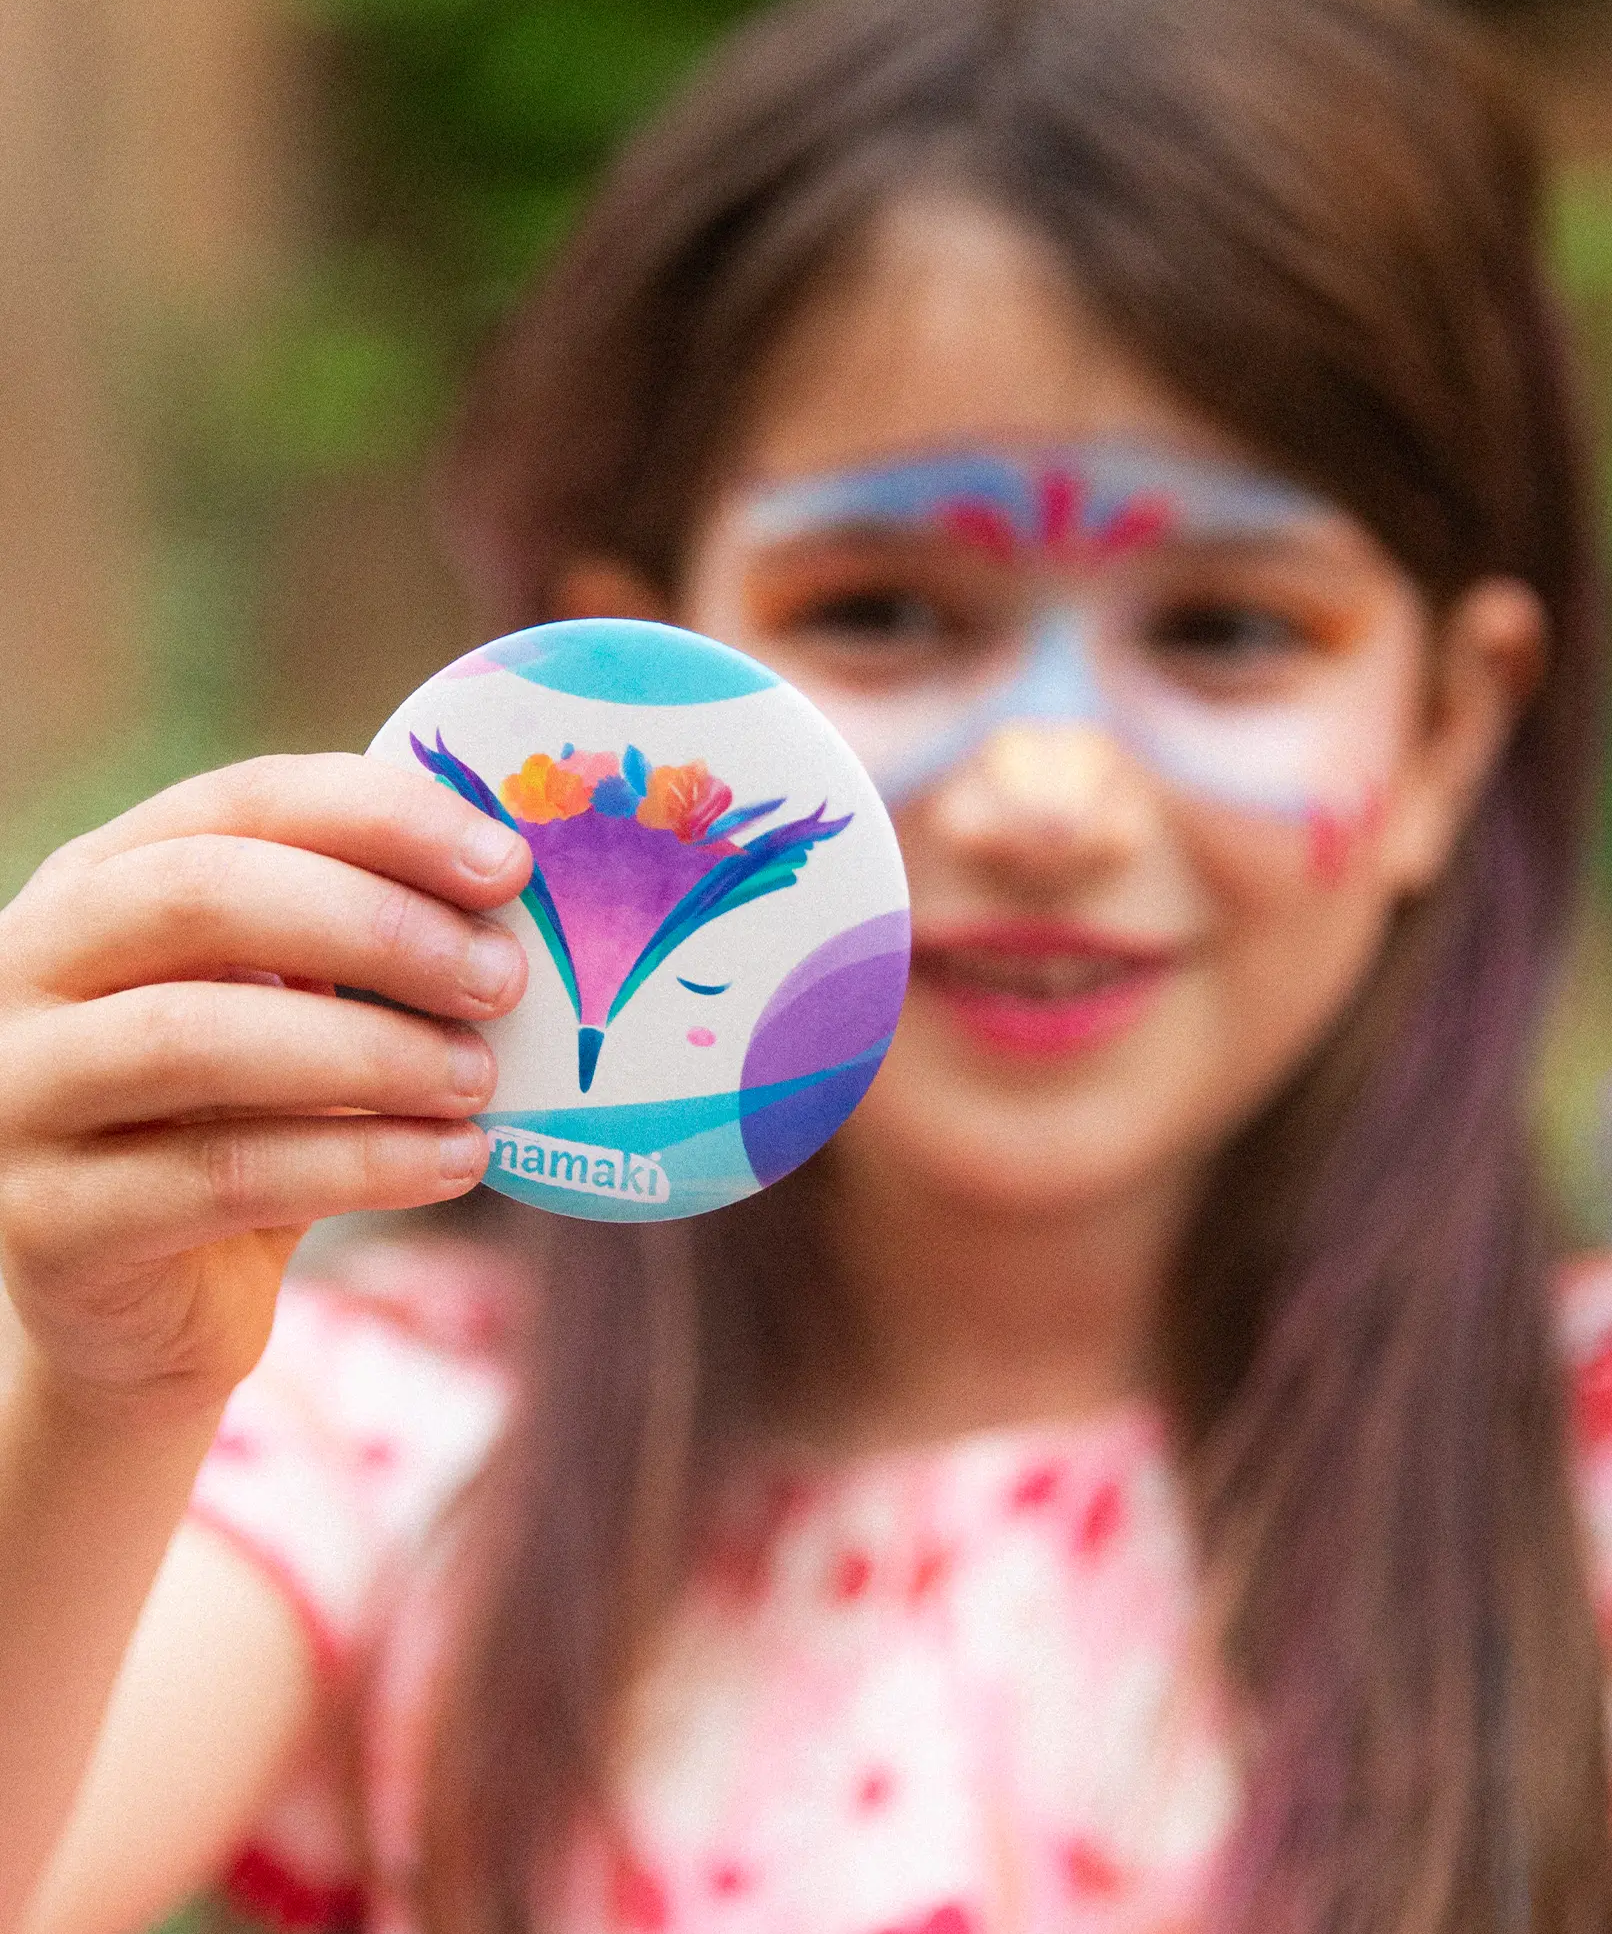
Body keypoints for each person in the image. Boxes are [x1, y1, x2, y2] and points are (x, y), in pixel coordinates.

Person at [2, 0, 1609, 1929]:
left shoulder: (1573, 1478)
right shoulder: (385, 1444)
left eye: (1226, 632)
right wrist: (99, 1400)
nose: (1045, 796)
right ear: (623, 680)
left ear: (1446, 730)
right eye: (886, 610)